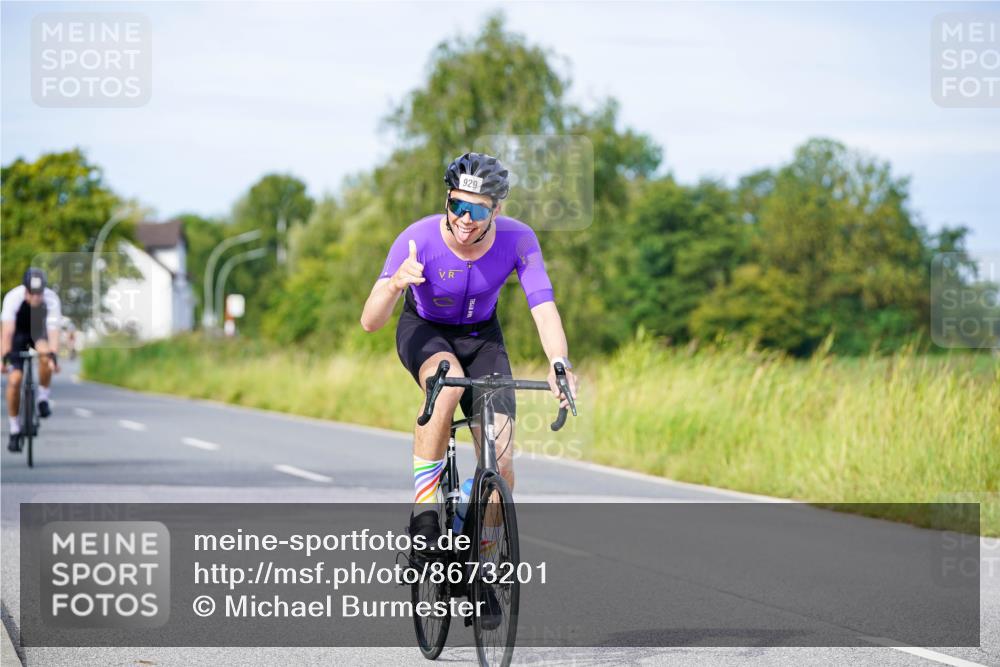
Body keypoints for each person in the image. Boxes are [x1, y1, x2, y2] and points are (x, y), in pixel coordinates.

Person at [360, 152, 578, 548]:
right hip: (426, 330)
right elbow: (369, 321)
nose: (465, 218)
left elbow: (543, 306)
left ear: (496, 209)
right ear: (447, 201)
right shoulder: (418, 239)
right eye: (457, 205)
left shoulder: (518, 239)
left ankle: (483, 558)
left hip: (482, 337)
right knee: (446, 387)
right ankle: (425, 511)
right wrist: (394, 286)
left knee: (503, 454)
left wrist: (558, 363)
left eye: (477, 210)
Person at [1, 268, 62, 452]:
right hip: (17, 335)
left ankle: (43, 397)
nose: (36, 297)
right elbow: (7, 332)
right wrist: (4, 358)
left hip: (38, 333)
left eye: (39, 293)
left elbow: (53, 332)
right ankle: (14, 429)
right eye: (32, 293)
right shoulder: (13, 298)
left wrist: (53, 357)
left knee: (46, 355)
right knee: (15, 380)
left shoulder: (51, 299)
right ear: (25, 289)